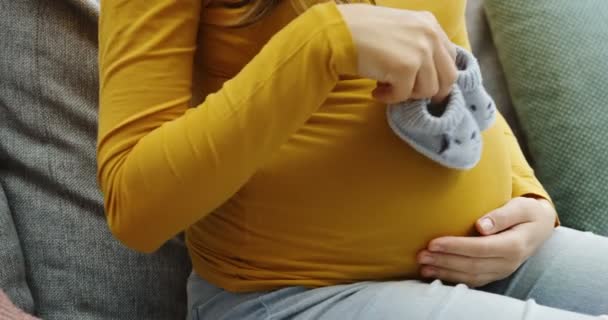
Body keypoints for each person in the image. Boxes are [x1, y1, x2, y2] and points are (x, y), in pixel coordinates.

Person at [97, 0, 608, 318]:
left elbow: (456, 76)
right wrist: (322, 42)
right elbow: (134, 209)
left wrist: (529, 197)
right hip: (290, 296)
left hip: (488, 260)